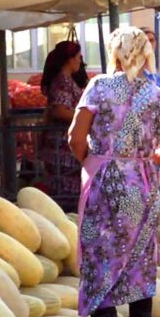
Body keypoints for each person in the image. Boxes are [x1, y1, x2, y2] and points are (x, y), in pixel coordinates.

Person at [68, 27, 160, 317]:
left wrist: (91, 159)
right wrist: (149, 157)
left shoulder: (99, 86)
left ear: (116, 54)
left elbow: (76, 135)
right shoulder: (159, 95)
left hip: (105, 186)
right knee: (140, 270)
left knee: (98, 270)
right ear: (148, 55)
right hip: (144, 186)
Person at [39, 41, 89, 208]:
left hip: (67, 143)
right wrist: (85, 118)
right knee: (65, 194)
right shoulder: (62, 81)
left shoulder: (67, 80)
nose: (80, 62)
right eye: (78, 58)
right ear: (70, 59)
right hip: (61, 146)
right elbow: (59, 110)